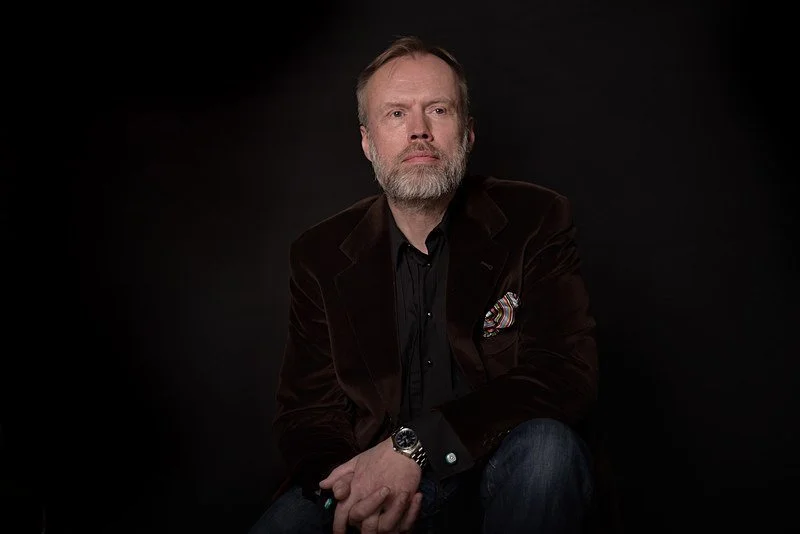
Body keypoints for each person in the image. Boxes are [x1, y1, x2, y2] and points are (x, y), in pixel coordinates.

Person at [249, 35, 605, 534]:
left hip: (498, 471)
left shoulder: (536, 218)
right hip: (372, 482)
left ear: (468, 133)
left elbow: (564, 375)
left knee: (550, 451)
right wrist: (352, 494)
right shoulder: (319, 254)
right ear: (367, 142)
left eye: (438, 110)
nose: (419, 130)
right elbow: (308, 413)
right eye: (396, 114)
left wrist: (415, 446)